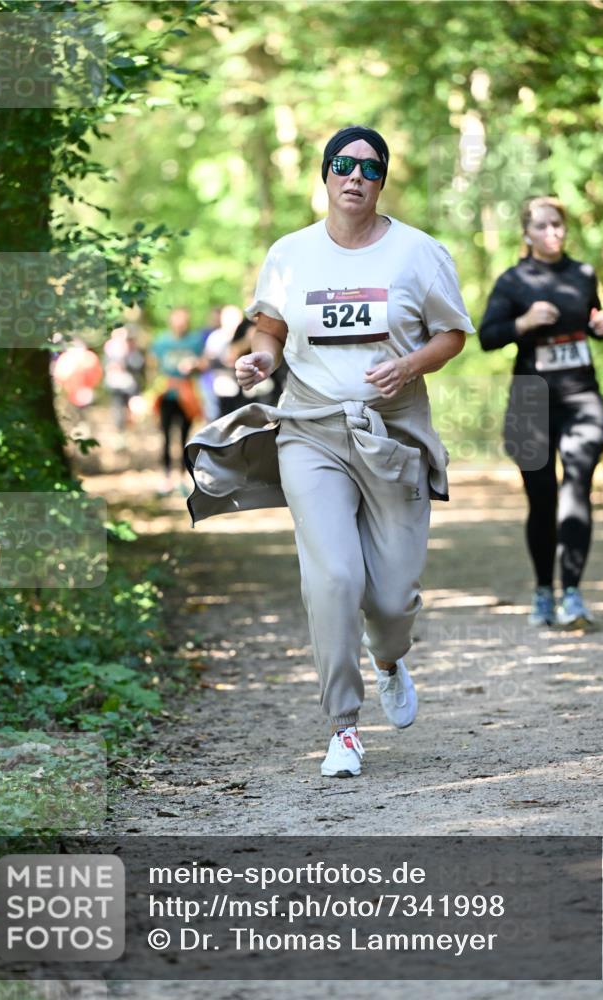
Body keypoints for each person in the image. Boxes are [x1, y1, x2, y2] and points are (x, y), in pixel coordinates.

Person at [189, 124, 473, 778]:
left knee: (392, 599)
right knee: (334, 577)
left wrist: (408, 366)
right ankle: (343, 727)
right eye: (343, 164)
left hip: (392, 432)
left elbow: (452, 334)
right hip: (310, 428)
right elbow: (267, 328)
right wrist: (260, 360)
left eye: (370, 169)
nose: (355, 177)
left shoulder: (418, 252)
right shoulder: (291, 254)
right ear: (324, 174)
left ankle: (389, 657)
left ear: (382, 182)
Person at [479, 195, 603, 628]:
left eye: (557, 224)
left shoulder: (582, 274)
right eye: (541, 226)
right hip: (530, 403)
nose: (551, 232)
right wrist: (523, 322)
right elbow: (487, 336)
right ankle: (542, 592)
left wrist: (599, 326)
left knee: (576, 489)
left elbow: (591, 319)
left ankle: (572, 594)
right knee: (542, 500)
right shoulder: (513, 281)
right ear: (526, 233)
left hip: (581, 399)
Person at [149, 307, 206, 495]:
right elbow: (152, 365)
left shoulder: (195, 340)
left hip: (187, 395)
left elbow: (204, 363)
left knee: (185, 438)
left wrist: (194, 365)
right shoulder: (161, 341)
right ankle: (166, 478)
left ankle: (182, 477)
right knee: (165, 436)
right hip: (166, 394)